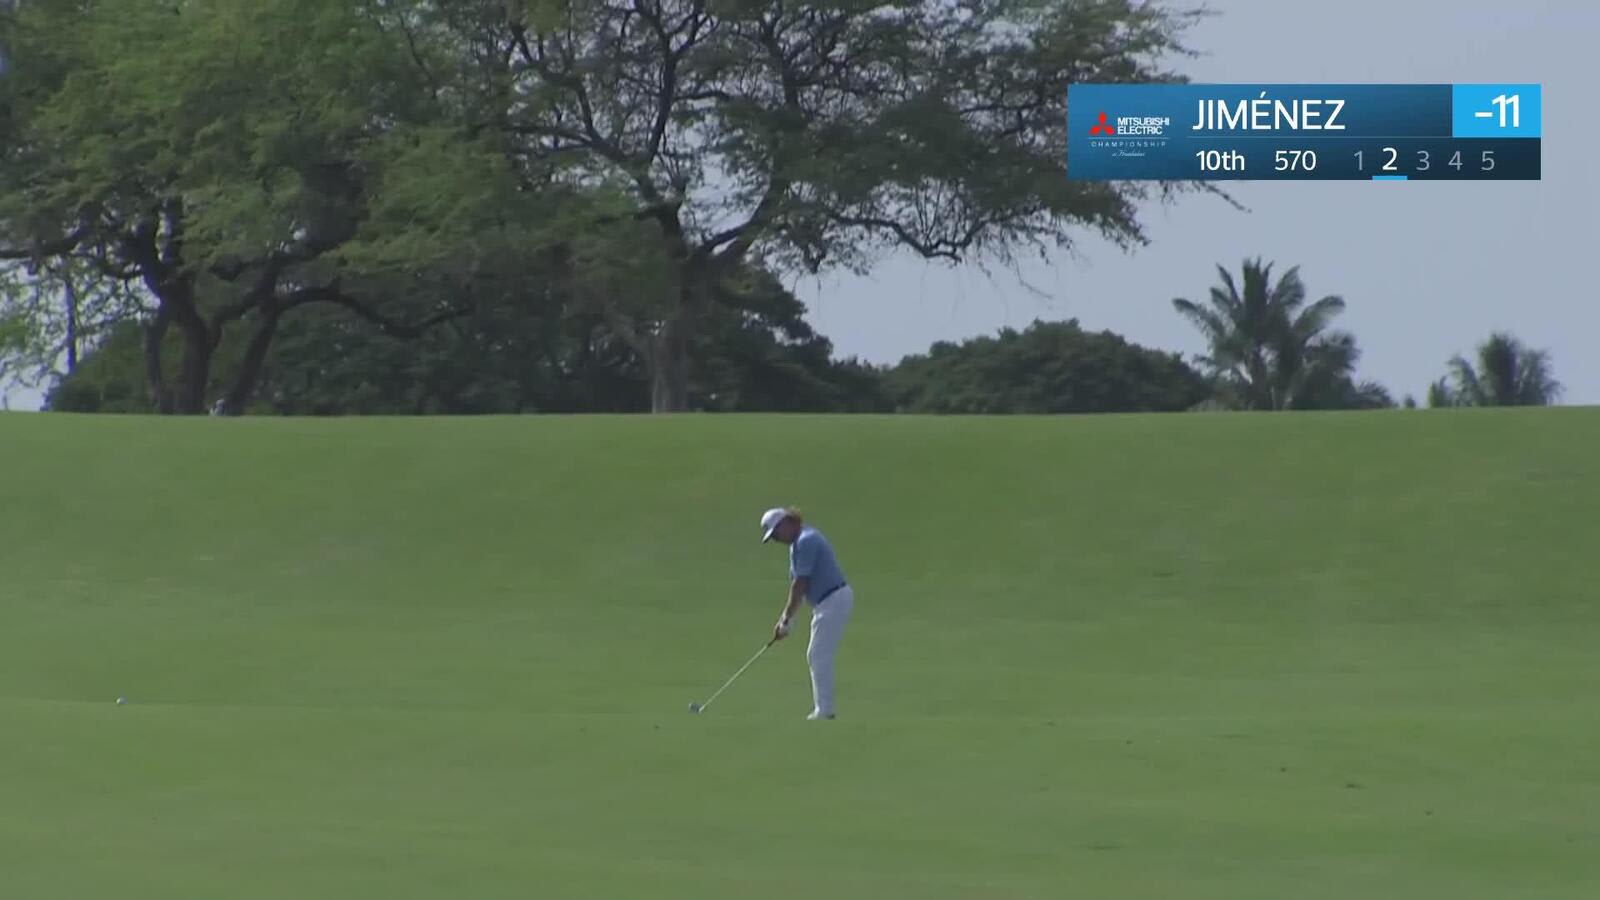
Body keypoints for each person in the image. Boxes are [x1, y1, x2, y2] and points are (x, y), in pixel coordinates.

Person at [760, 507, 853, 720]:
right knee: (817, 654)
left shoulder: (806, 541)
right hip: (827, 602)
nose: (775, 539)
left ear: (787, 523)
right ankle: (824, 709)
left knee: (818, 654)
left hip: (834, 599)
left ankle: (825, 711)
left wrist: (786, 619)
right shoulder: (797, 544)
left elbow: (800, 584)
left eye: (776, 533)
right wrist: (787, 622)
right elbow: (799, 588)